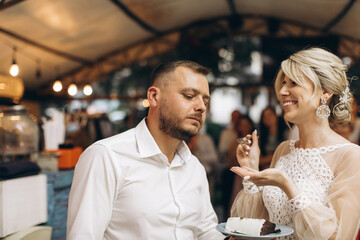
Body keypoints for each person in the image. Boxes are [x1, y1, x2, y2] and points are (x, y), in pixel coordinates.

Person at [66, 60, 225, 240]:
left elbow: (206, 232)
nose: (201, 107)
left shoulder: (194, 167)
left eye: (205, 100)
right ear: (154, 96)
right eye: (189, 95)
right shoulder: (106, 156)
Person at [230, 47, 360, 240]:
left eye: (294, 83)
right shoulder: (283, 149)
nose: (282, 92)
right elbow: (262, 225)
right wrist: (252, 172)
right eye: (282, 83)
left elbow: (339, 236)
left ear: (325, 92)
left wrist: (288, 187)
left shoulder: (350, 156)